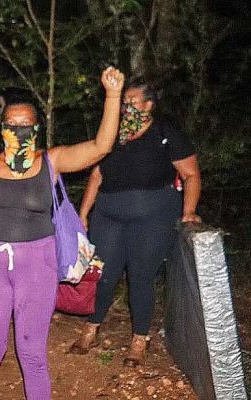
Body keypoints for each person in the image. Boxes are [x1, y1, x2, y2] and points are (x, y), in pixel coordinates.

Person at [0, 67, 124, 399]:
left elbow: (100, 146)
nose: (18, 130)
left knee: (33, 353)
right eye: (12, 124)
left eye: (25, 125)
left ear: (36, 128)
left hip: (38, 264)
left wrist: (112, 96)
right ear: (3, 127)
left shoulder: (51, 161)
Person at [69, 80, 202, 367]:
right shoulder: (113, 133)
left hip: (153, 217)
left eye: (131, 102)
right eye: (124, 102)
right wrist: (82, 214)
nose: (125, 107)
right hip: (108, 215)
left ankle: (139, 339)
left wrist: (189, 211)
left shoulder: (165, 133)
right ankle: (91, 327)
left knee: (141, 276)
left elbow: (191, 174)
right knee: (104, 273)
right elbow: (96, 175)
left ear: (148, 105)